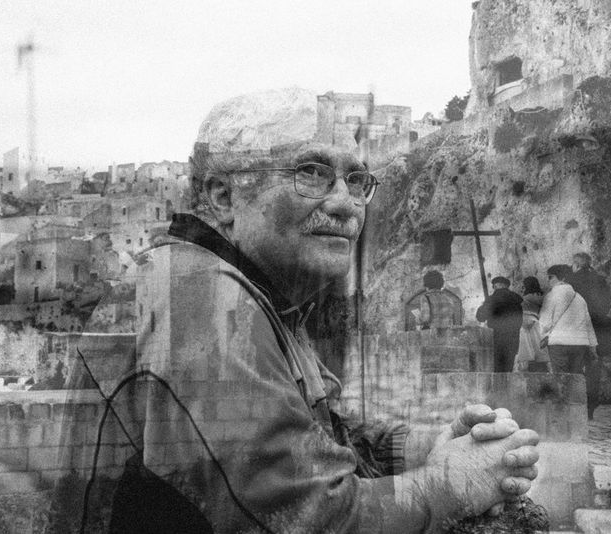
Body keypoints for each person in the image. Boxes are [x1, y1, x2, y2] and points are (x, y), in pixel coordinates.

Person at [107, 88, 540, 533]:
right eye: (312, 173)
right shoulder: (204, 297)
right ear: (224, 197)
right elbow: (311, 517)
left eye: (356, 181)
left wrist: (421, 448)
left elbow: (314, 434)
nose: (344, 203)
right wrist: (447, 485)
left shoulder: (260, 295)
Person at [566, 252, 611, 418]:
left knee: (575, 367)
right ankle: (591, 407)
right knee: (594, 367)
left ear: (577, 265)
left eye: (573, 264)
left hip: (577, 329)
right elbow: (607, 303)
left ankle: (576, 405)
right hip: (597, 328)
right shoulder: (600, 280)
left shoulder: (571, 281)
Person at [539, 264, 597, 375]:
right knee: (576, 377)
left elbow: (545, 323)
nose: (548, 281)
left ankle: (563, 393)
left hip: (558, 342)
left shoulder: (551, 296)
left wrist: (543, 337)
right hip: (580, 343)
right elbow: (588, 325)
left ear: (563, 278)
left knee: (561, 378)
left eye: (551, 277)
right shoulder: (580, 298)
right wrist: (593, 346)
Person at [476, 276, 524, 372]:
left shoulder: (491, 299)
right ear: (507, 286)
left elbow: (480, 317)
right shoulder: (517, 300)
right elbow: (520, 321)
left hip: (496, 339)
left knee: (497, 370)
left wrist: (483, 305)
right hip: (513, 339)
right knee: (508, 369)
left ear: (495, 286)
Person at [513, 276, 551, 372]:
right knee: (541, 356)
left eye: (523, 286)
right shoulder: (542, 297)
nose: (522, 289)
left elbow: (526, 322)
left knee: (527, 356)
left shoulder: (525, 300)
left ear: (527, 286)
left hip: (528, 327)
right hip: (540, 327)